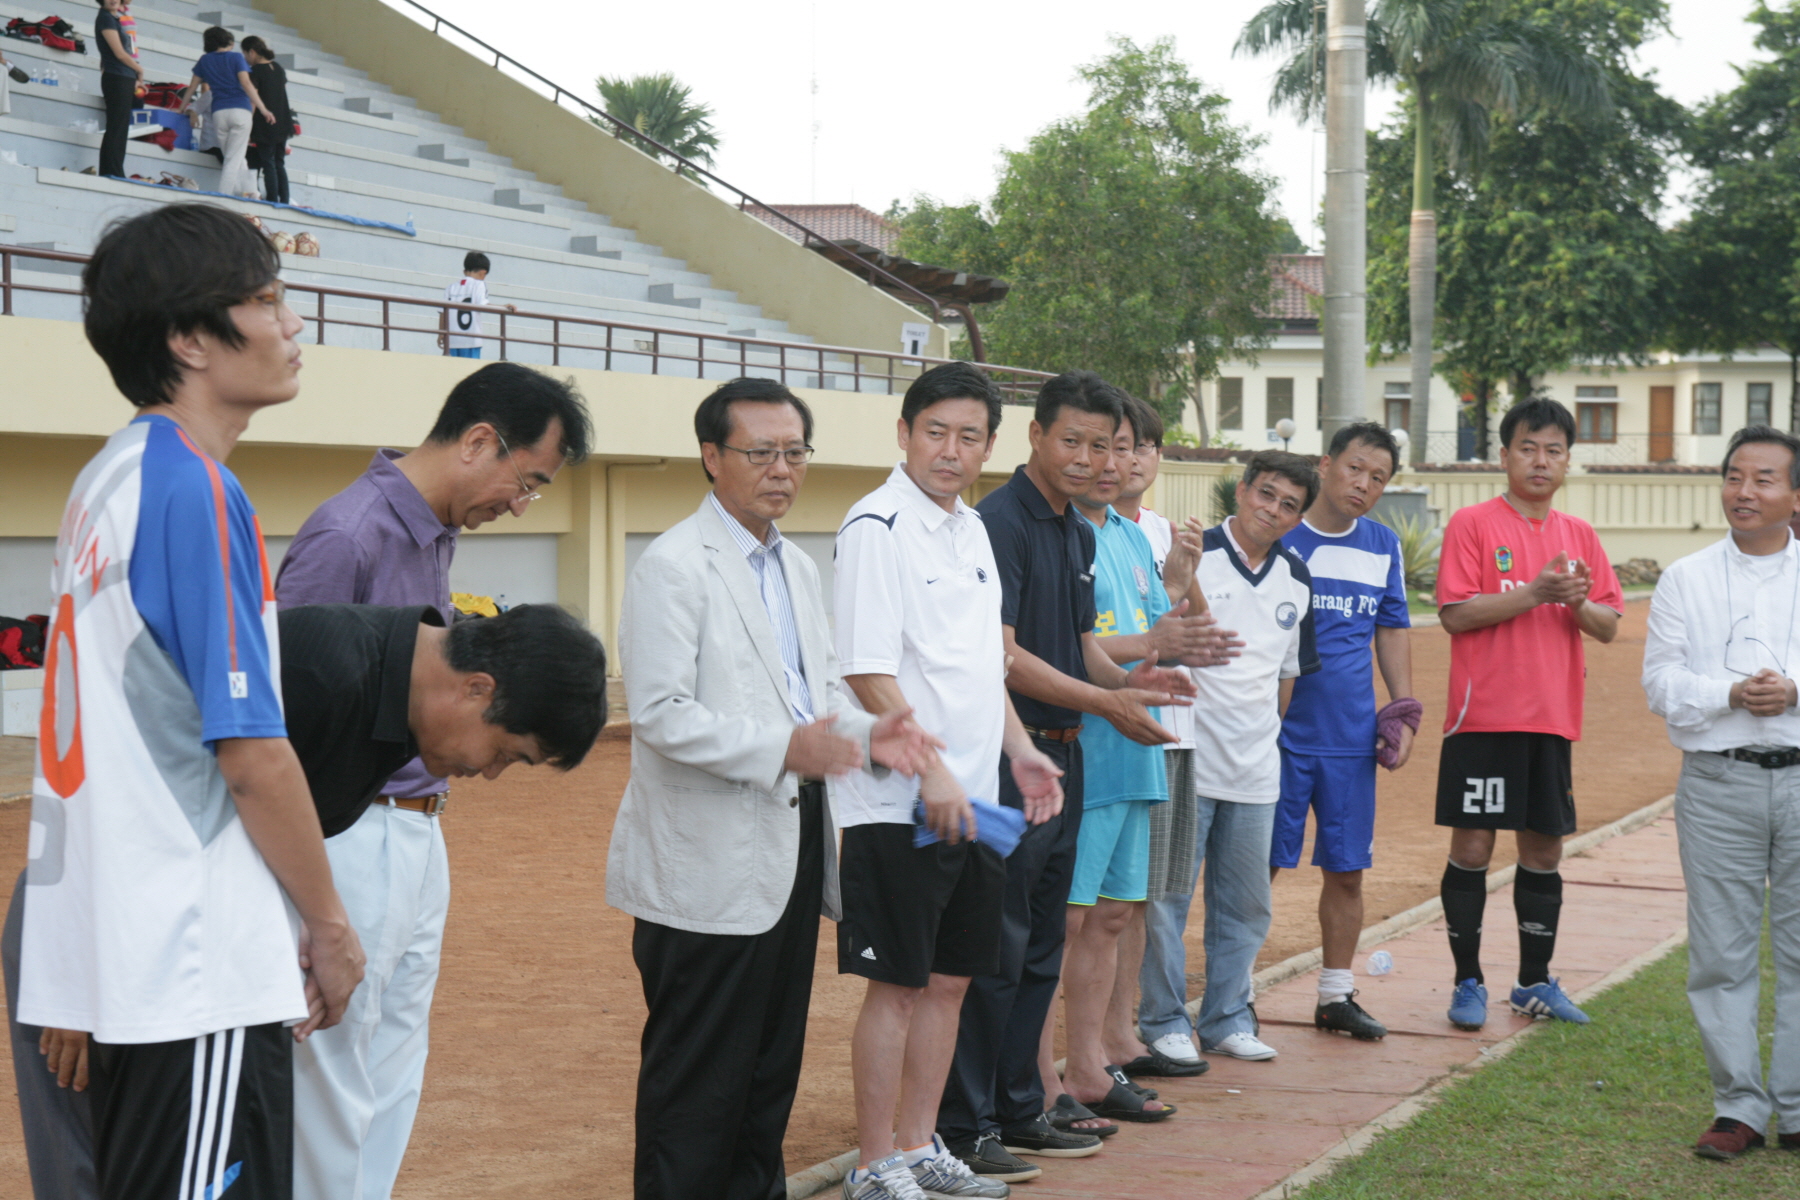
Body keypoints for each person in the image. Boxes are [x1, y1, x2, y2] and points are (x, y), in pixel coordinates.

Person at [16, 601, 610, 1192]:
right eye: (505, 752)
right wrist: (76, 973)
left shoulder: (396, 709)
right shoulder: (325, 673)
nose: (490, 772)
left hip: (159, 943)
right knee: (89, 1175)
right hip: (94, 922)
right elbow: (129, 793)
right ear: (477, 689)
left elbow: (242, 839)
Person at [15, 203, 364, 1200]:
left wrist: (71, 961)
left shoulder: (105, 480)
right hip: (192, 960)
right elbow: (249, 755)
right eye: (266, 300)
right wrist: (331, 926)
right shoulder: (196, 491)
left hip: (129, 951)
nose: (292, 322)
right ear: (188, 339)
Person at [608, 378, 938, 1199]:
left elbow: (816, 696)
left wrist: (872, 734)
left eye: (794, 452)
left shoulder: (794, 564)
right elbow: (660, 715)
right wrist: (787, 748)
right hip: (705, 866)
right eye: (760, 453)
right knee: (698, 1085)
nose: (781, 470)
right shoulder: (673, 565)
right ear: (711, 457)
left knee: (765, 1077)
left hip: (791, 848)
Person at [274, 361, 591, 1200]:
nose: (521, 505)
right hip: (347, 828)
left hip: (417, 824)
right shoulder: (350, 534)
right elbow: (280, 722)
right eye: (528, 483)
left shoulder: (434, 533)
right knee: (331, 1070)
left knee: (392, 1066)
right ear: (480, 442)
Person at [938, 371, 1204, 1184]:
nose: (1090, 459)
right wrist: (1107, 701)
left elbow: (1083, 646)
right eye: (1074, 442)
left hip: (1069, 753)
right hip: (1008, 756)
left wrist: (1129, 688)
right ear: (1035, 437)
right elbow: (1005, 655)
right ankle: (968, 1121)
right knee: (996, 945)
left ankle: (1023, 1105)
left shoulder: (1075, 532)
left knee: (1041, 944)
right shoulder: (999, 523)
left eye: (1102, 444)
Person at [832, 362, 1065, 1200]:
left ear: (989, 446)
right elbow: (866, 670)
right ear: (904, 433)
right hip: (899, 803)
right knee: (897, 986)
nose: (951, 450)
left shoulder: (971, 530)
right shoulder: (876, 526)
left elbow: (981, 667)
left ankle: (920, 1145)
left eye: (969, 436)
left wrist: (1020, 749)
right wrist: (929, 771)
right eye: (936, 432)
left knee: (951, 981)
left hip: (974, 801)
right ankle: (874, 1164)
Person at [1433, 398, 1622, 1030]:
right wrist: (1536, 593)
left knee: (1544, 849)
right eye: (1528, 448)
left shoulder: (1580, 536)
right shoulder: (1473, 523)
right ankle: (1467, 982)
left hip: (1551, 718)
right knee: (1473, 846)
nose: (1541, 461)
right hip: (1483, 717)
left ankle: (1533, 982)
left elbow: (1608, 624)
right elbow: (1455, 614)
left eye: (1553, 450)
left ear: (1568, 461)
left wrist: (1574, 604)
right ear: (1504, 455)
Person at [1057, 395, 1219, 1126]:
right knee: (1066, 923)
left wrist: (1178, 580)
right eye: (1101, 446)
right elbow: (1068, 647)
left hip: (1139, 749)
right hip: (1084, 750)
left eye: (1125, 447)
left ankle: (1092, 1067)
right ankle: (1041, 1080)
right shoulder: (1060, 534)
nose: (1113, 462)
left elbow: (1153, 632)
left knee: (1115, 917)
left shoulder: (1128, 535)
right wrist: (1154, 647)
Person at [1643, 424, 1800, 1160]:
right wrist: (1730, 693)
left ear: (1795, 495)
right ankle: (1739, 1107)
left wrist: (1793, 693)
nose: (1745, 491)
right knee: (1720, 954)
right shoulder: (1686, 578)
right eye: (1735, 476)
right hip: (1717, 783)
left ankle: (1796, 1108)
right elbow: (1660, 683)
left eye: (1764, 479)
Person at [1141, 451, 1321, 1066]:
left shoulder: (1297, 578)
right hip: (1185, 759)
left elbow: (1286, 677)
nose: (1273, 510)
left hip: (1255, 770)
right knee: (1165, 901)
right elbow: (1156, 640)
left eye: (1289, 504)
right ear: (1241, 491)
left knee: (1245, 906)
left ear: (1298, 517)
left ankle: (1226, 1018)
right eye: (1265, 494)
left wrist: (1261, 736)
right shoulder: (1192, 556)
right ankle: (1163, 1021)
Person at [1269, 422, 1416, 1041]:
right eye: (1355, 468)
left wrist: (1402, 709)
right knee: (1258, 869)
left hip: (1350, 741)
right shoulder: (1280, 533)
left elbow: (1392, 626)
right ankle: (1228, 995)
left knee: (1348, 871)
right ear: (1325, 465)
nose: (1364, 484)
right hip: (1276, 738)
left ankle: (1335, 995)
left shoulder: (1383, 545)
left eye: (1378, 477)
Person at [179, 26, 276, 198]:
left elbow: (192, 86)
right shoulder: (236, 57)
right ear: (228, 41)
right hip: (240, 111)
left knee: (236, 156)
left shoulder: (204, 60)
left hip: (219, 113)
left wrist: (181, 108)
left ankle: (251, 192)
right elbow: (246, 84)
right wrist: (263, 109)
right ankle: (224, 196)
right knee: (233, 158)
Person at [242, 36, 295, 204]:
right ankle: (284, 199)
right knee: (279, 163)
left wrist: (248, 124)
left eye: (245, 54)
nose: (245, 58)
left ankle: (272, 199)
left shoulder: (255, 71)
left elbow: (253, 100)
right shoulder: (278, 68)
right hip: (283, 120)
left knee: (268, 163)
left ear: (251, 52)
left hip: (265, 123)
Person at [94, 0, 144, 179]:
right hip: (117, 77)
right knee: (117, 127)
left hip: (124, 76)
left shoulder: (114, 18)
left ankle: (114, 170)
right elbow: (120, 53)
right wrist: (139, 70)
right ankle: (111, 171)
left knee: (120, 128)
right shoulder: (106, 19)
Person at [441, 252, 515, 359]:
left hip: (451, 340)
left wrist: (441, 333)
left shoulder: (450, 287)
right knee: (471, 368)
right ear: (482, 273)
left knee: (452, 368)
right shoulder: (479, 284)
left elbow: (442, 312)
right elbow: (483, 305)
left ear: (464, 271)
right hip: (471, 339)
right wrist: (503, 307)